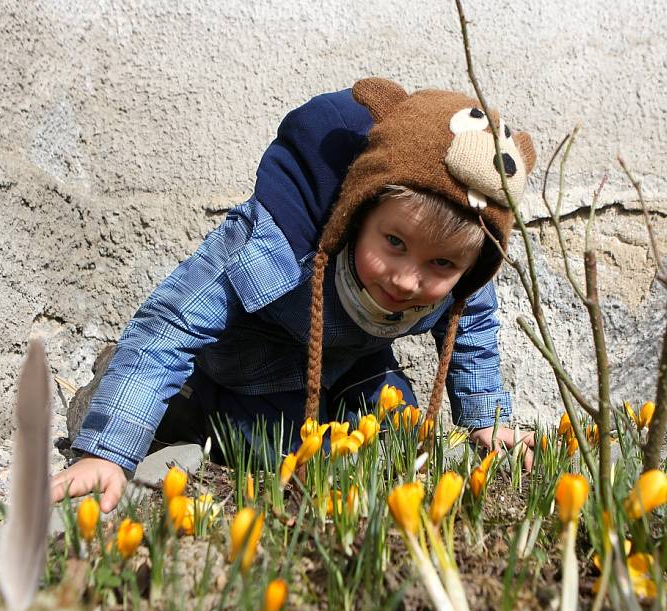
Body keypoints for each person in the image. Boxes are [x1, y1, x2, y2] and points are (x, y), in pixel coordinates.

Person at [51, 77, 537, 512]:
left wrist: (485, 418)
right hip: (253, 367)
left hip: (351, 365)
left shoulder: (462, 271)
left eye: (441, 264)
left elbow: (471, 323)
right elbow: (173, 324)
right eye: (394, 243)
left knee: (401, 442)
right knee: (282, 458)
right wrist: (105, 452)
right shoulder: (275, 239)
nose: (408, 281)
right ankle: (166, 401)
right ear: (358, 213)